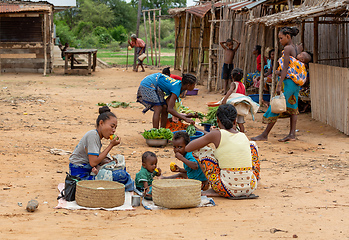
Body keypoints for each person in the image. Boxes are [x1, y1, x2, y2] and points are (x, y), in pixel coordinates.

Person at [185, 104, 260, 198]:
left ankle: (215, 187)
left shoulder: (216, 134)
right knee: (252, 145)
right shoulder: (242, 135)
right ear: (235, 121)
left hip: (226, 188)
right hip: (250, 187)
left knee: (201, 150)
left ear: (218, 120)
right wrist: (212, 135)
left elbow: (188, 148)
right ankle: (252, 179)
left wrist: (210, 135)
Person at [251, 26, 303, 142]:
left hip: (288, 82)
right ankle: (292, 134)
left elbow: (285, 68)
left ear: (288, 36)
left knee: (275, 105)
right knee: (293, 106)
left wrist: (279, 84)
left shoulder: (288, 48)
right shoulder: (297, 48)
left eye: (281, 38)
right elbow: (294, 66)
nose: (279, 41)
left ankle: (264, 134)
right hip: (295, 83)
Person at [68, 106, 134, 191]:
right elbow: (93, 162)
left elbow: (94, 159)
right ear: (101, 123)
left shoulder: (96, 136)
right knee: (122, 175)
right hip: (80, 177)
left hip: (87, 171)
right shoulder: (93, 136)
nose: (114, 130)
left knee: (120, 166)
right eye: (112, 126)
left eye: (115, 128)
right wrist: (111, 145)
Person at [221, 68, 246, 132]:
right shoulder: (243, 85)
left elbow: (230, 91)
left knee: (233, 121)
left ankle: (233, 134)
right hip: (241, 107)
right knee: (241, 124)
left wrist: (224, 99)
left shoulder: (233, 84)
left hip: (235, 106)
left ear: (232, 76)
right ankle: (242, 135)